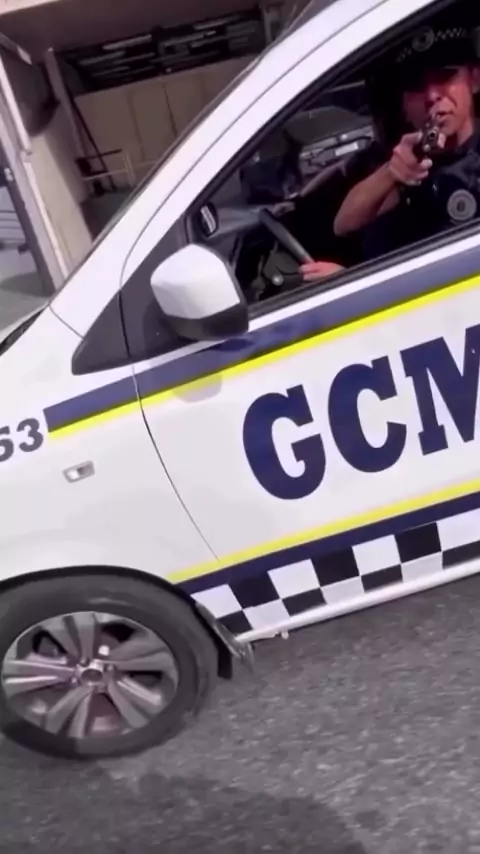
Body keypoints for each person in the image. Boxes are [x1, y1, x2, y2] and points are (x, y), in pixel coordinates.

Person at [300, 18, 480, 280]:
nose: (432, 96)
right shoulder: (412, 162)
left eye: (444, 76)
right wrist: (392, 172)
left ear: (474, 79)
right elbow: (344, 224)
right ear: (404, 106)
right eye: (416, 87)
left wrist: (353, 284)